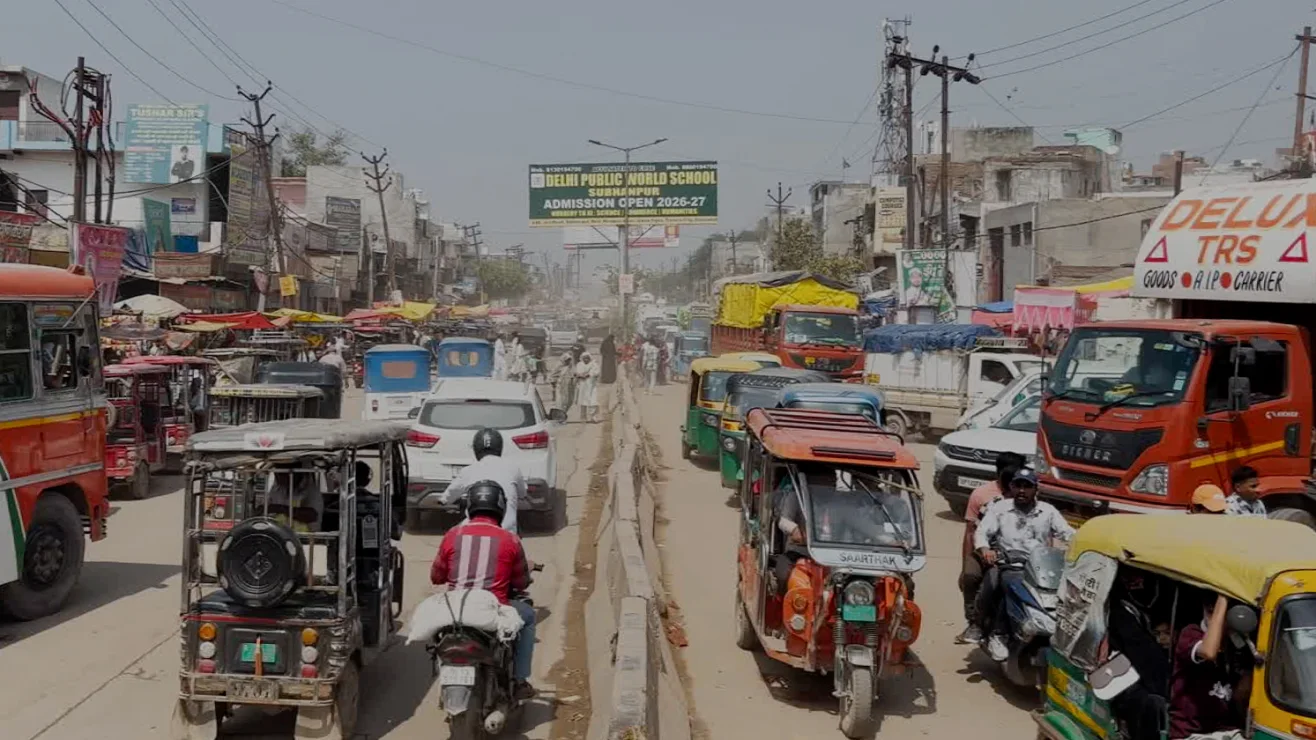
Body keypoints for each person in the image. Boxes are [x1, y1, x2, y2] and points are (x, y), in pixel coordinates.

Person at [430, 481, 537, 701]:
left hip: (455, 608)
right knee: (528, 617)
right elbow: (521, 582)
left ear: (469, 506)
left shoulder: (452, 535)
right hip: (492, 609)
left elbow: (436, 576)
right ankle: (519, 680)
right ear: (501, 508)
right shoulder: (510, 540)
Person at [974, 469, 1075, 662]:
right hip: (1009, 564)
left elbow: (1067, 533)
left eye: (1027, 486)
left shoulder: (1048, 511)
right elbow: (982, 532)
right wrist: (985, 548)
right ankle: (998, 633)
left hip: (1042, 567)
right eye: (1017, 485)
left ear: (1035, 489)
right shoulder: (1000, 508)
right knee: (1010, 585)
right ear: (1011, 487)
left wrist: (1082, 546)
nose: (1022, 490)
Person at [956, 451, 1026, 644]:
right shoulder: (981, 496)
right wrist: (966, 563)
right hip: (988, 552)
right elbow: (971, 532)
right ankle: (974, 623)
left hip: (1019, 554)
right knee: (976, 577)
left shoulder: (1027, 495)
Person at [1168, 592, 1248, 739]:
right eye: (1210, 612)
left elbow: (1241, 694)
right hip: (1191, 733)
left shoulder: (1237, 645)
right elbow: (1209, 652)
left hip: (1227, 730)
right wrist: (1222, 600)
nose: (1214, 619)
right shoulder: (1190, 634)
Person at [438, 428, 525, 534]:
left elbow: (447, 497)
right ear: (500, 447)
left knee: (451, 538)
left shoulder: (468, 471)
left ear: (476, 449)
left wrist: (442, 500)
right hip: (507, 532)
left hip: (473, 532)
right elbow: (522, 493)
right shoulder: (513, 469)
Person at [575, 351, 601, 423]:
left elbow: (596, 372)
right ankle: (583, 417)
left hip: (592, 386)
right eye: (584, 358)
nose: (586, 360)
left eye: (587, 358)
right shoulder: (579, 365)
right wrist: (580, 375)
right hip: (583, 386)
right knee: (583, 402)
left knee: (593, 401)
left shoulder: (594, 364)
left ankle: (593, 416)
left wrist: (588, 375)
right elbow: (577, 373)